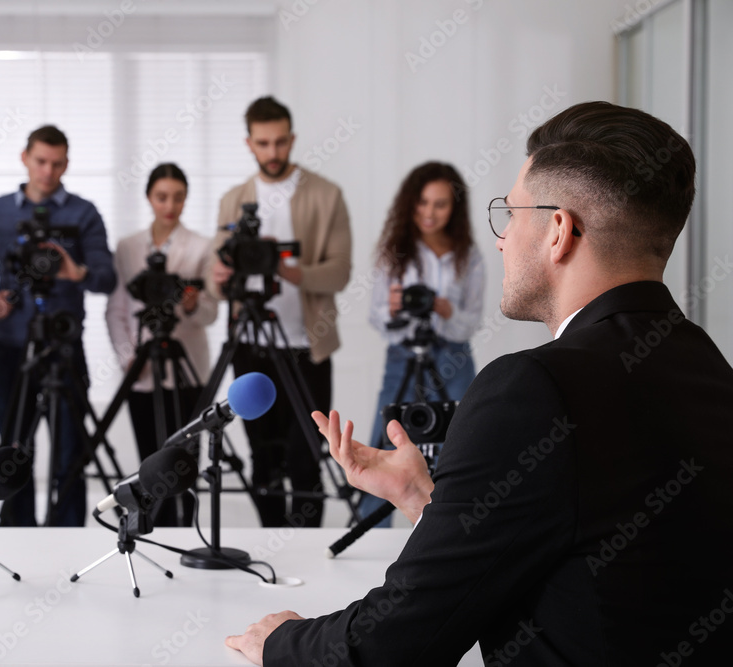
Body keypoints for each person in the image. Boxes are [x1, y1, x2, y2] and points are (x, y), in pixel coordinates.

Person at [226, 101, 733, 664]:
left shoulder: (533, 388)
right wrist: (425, 500)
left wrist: (281, 641)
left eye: (512, 215)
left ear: (558, 232)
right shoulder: (708, 366)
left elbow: (395, 645)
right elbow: (591, 558)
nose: (501, 239)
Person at [206, 96, 352, 528]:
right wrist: (219, 276)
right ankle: (273, 541)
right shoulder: (234, 201)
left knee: (307, 453)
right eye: (263, 143)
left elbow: (340, 273)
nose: (273, 153)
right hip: (250, 347)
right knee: (262, 456)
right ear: (249, 143)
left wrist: (284, 268)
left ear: (292, 140)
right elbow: (220, 283)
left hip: (308, 346)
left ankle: (307, 547)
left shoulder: (326, 195)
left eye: (280, 142)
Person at [0, 124, 116, 527]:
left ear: (67, 163)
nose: (48, 172)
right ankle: (18, 534)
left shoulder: (84, 213)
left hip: (65, 348)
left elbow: (107, 278)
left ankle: (66, 536)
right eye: (41, 162)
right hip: (11, 347)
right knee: (13, 450)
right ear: (24, 158)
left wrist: (74, 271)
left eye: (57, 163)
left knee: (70, 450)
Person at [360, 162, 485, 525]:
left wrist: (445, 310)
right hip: (402, 354)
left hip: (454, 357)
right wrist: (395, 309)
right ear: (410, 203)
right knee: (385, 441)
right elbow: (376, 317)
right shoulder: (395, 252)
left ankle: (457, 527)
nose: (429, 213)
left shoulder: (469, 256)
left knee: (462, 443)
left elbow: (472, 321)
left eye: (440, 204)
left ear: (454, 207)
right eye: (423, 202)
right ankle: (373, 528)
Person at [105, 163, 218, 526]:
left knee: (185, 459)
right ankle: (152, 525)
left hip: (188, 372)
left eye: (178, 197)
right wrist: (128, 357)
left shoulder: (201, 247)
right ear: (149, 198)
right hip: (142, 367)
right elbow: (117, 308)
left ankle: (186, 530)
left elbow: (211, 311)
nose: (170, 205)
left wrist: (191, 305)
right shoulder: (127, 247)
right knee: (150, 458)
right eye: (162, 197)